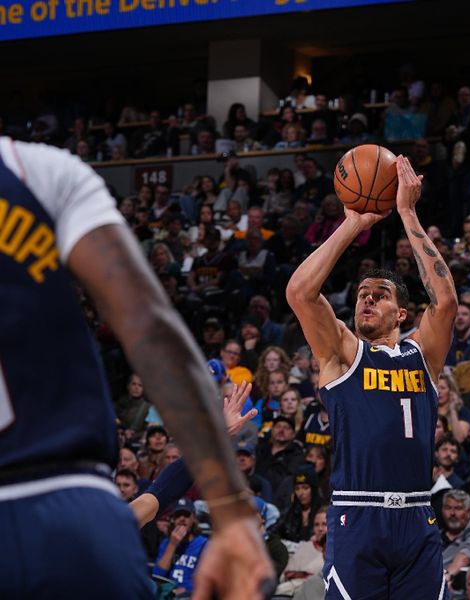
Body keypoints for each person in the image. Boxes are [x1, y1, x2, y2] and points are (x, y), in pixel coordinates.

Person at [0, 138, 272, 597]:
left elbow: (153, 498)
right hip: (72, 514)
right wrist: (228, 508)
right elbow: (149, 324)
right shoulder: (34, 169)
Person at [285, 155, 458, 596]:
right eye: (362, 294)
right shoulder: (342, 352)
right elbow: (300, 293)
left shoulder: (422, 355)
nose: (367, 300)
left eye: (379, 296)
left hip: (417, 515)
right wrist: (352, 225)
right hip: (357, 513)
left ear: (401, 312)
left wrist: (407, 212)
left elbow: (445, 301)